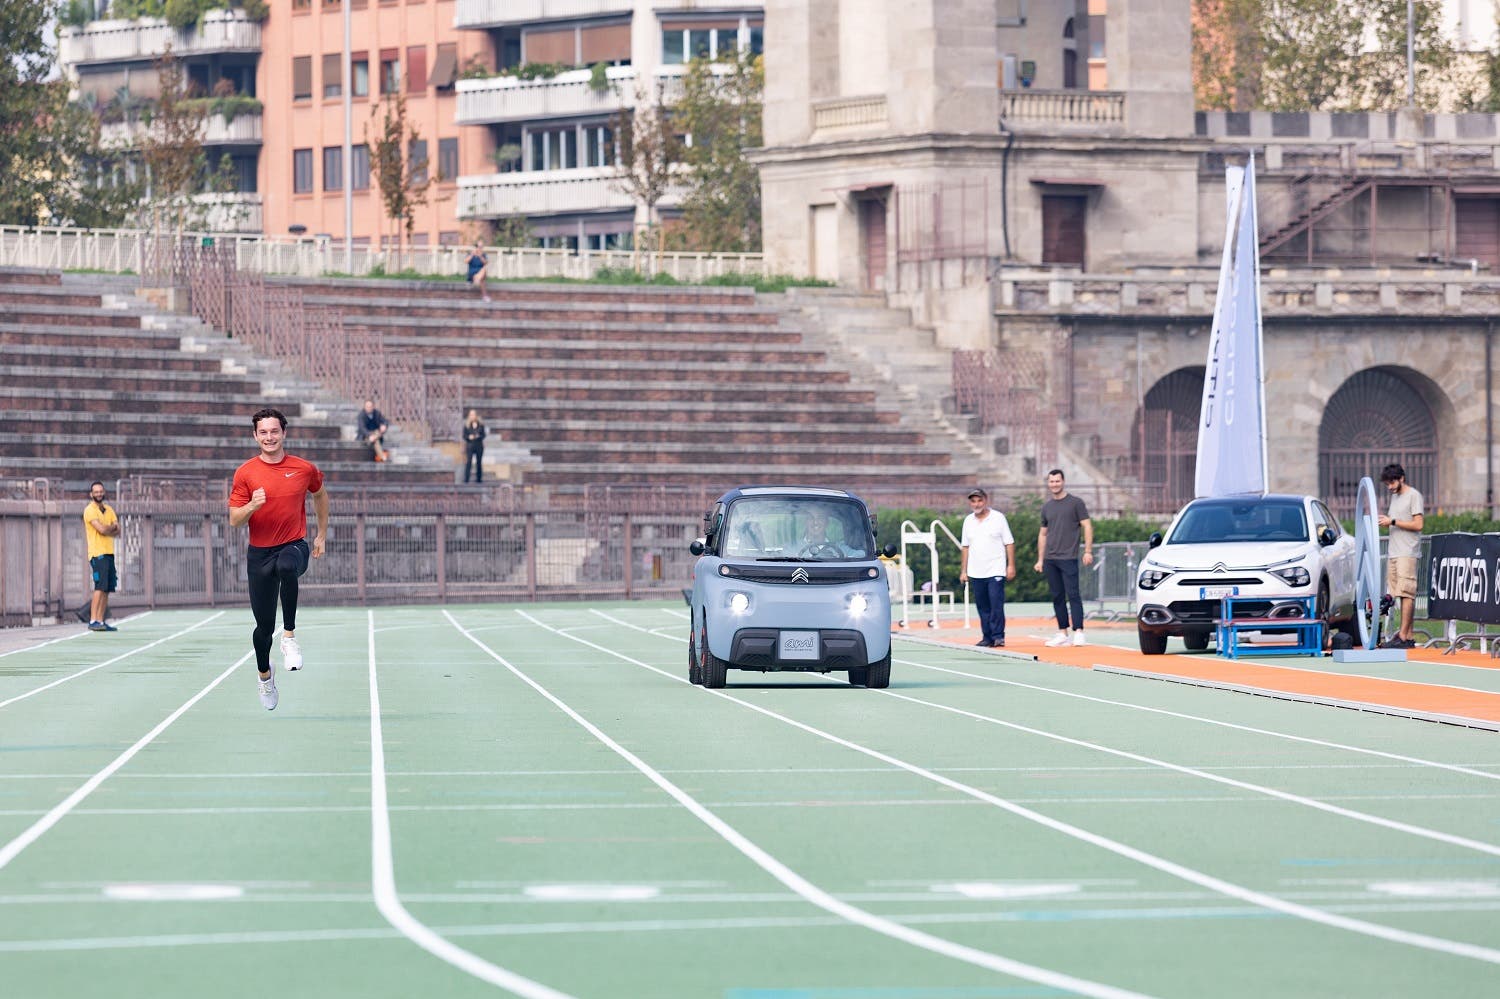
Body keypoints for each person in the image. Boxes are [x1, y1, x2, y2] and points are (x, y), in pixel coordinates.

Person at [228, 407, 329, 711]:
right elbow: (235, 519)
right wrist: (252, 506)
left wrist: (321, 534)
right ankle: (264, 676)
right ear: (255, 436)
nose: (269, 437)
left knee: (288, 566)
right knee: (261, 630)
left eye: (274, 431)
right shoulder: (245, 472)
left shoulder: (303, 468)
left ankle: (289, 636)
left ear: (284, 433)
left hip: (293, 545)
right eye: (263, 432)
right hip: (259, 554)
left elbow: (320, 495)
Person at [1034, 468, 1093, 647]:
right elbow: (1043, 534)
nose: (1054, 484)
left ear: (1063, 481)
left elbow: (1087, 526)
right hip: (1051, 559)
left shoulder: (1076, 503)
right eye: (1051, 481)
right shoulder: (1047, 507)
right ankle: (1062, 633)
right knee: (1057, 596)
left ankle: (1079, 631)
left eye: (1057, 481)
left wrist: (1088, 550)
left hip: (1069, 557)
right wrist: (1040, 559)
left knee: (1073, 594)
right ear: (1048, 483)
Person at [959, 487, 1015, 648]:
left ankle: (998, 636)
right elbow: (965, 547)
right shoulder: (968, 521)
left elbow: (1009, 542)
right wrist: (964, 570)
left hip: (995, 569)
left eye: (979, 500)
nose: (976, 504)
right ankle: (987, 636)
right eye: (973, 501)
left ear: (986, 500)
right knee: (982, 606)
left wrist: (1010, 565)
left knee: (996, 603)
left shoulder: (998, 518)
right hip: (976, 571)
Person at [1377, 462, 1424, 649]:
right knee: (1398, 594)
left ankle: (1403, 637)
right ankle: (1407, 635)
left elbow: (1418, 524)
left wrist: (1393, 521)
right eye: (1387, 484)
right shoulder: (1395, 498)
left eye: (1391, 483)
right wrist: (1388, 522)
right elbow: (1396, 522)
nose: (1389, 487)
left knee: (1407, 594)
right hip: (1394, 552)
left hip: (1407, 552)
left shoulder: (1414, 496)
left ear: (1401, 479)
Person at [81, 481, 120, 632]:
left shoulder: (109, 510)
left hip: (109, 552)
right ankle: (93, 620)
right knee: (99, 586)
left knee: (108, 588)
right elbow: (102, 529)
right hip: (98, 554)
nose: (98, 494)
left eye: (100, 491)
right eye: (95, 492)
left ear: (104, 492)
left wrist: (109, 528)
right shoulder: (89, 511)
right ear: (91, 494)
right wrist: (110, 528)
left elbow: (118, 530)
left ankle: (100, 620)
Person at [462, 409, 487, 483]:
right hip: (470, 445)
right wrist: (469, 437)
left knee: (479, 462)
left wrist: (477, 436)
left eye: (473, 415)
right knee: (468, 462)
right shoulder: (467, 425)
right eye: (471, 415)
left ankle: (479, 479)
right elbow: (464, 436)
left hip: (479, 445)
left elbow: (483, 435)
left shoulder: (481, 425)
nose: (472, 416)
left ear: (476, 416)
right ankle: (466, 479)